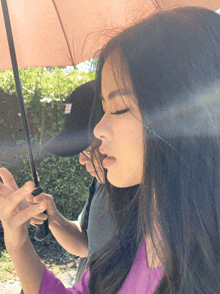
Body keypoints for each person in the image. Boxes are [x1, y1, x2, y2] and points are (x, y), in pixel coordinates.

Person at [1, 6, 220, 294]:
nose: (98, 131)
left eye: (119, 108)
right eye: (103, 109)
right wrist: (18, 243)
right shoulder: (127, 245)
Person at [31, 81, 117, 283]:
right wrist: (52, 215)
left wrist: (18, 245)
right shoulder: (99, 183)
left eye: (87, 149)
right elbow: (85, 244)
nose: (81, 160)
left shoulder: (151, 199)